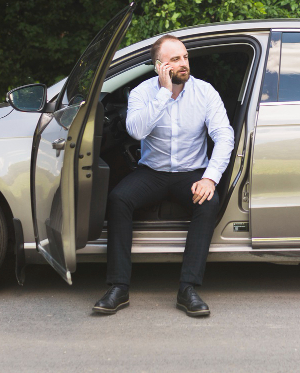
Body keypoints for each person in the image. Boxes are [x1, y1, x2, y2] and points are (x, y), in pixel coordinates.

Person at [92, 34, 234, 317]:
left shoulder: (205, 92)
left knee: (209, 202)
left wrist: (209, 178)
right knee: (119, 199)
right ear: (160, 66)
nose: (184, 63)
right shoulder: (142, 93)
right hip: (152, 172)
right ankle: (118, 287)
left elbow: (225, 136)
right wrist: (164, 94)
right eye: (175, 60)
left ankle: (188, 289)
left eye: (185, 57)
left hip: (191, 173)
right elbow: (136, 131)